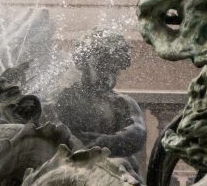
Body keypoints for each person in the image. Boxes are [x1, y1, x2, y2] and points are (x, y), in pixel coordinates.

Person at [48, 29, 146, 168]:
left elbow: (138, 133)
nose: (107, 75)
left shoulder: (123, 102)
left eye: (113, 70)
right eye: (101, 67)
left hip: (114, 168)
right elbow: (52, 132)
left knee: (123, 164)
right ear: (81, 63)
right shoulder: (64, 98)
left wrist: (105, 141)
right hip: (72, 167)